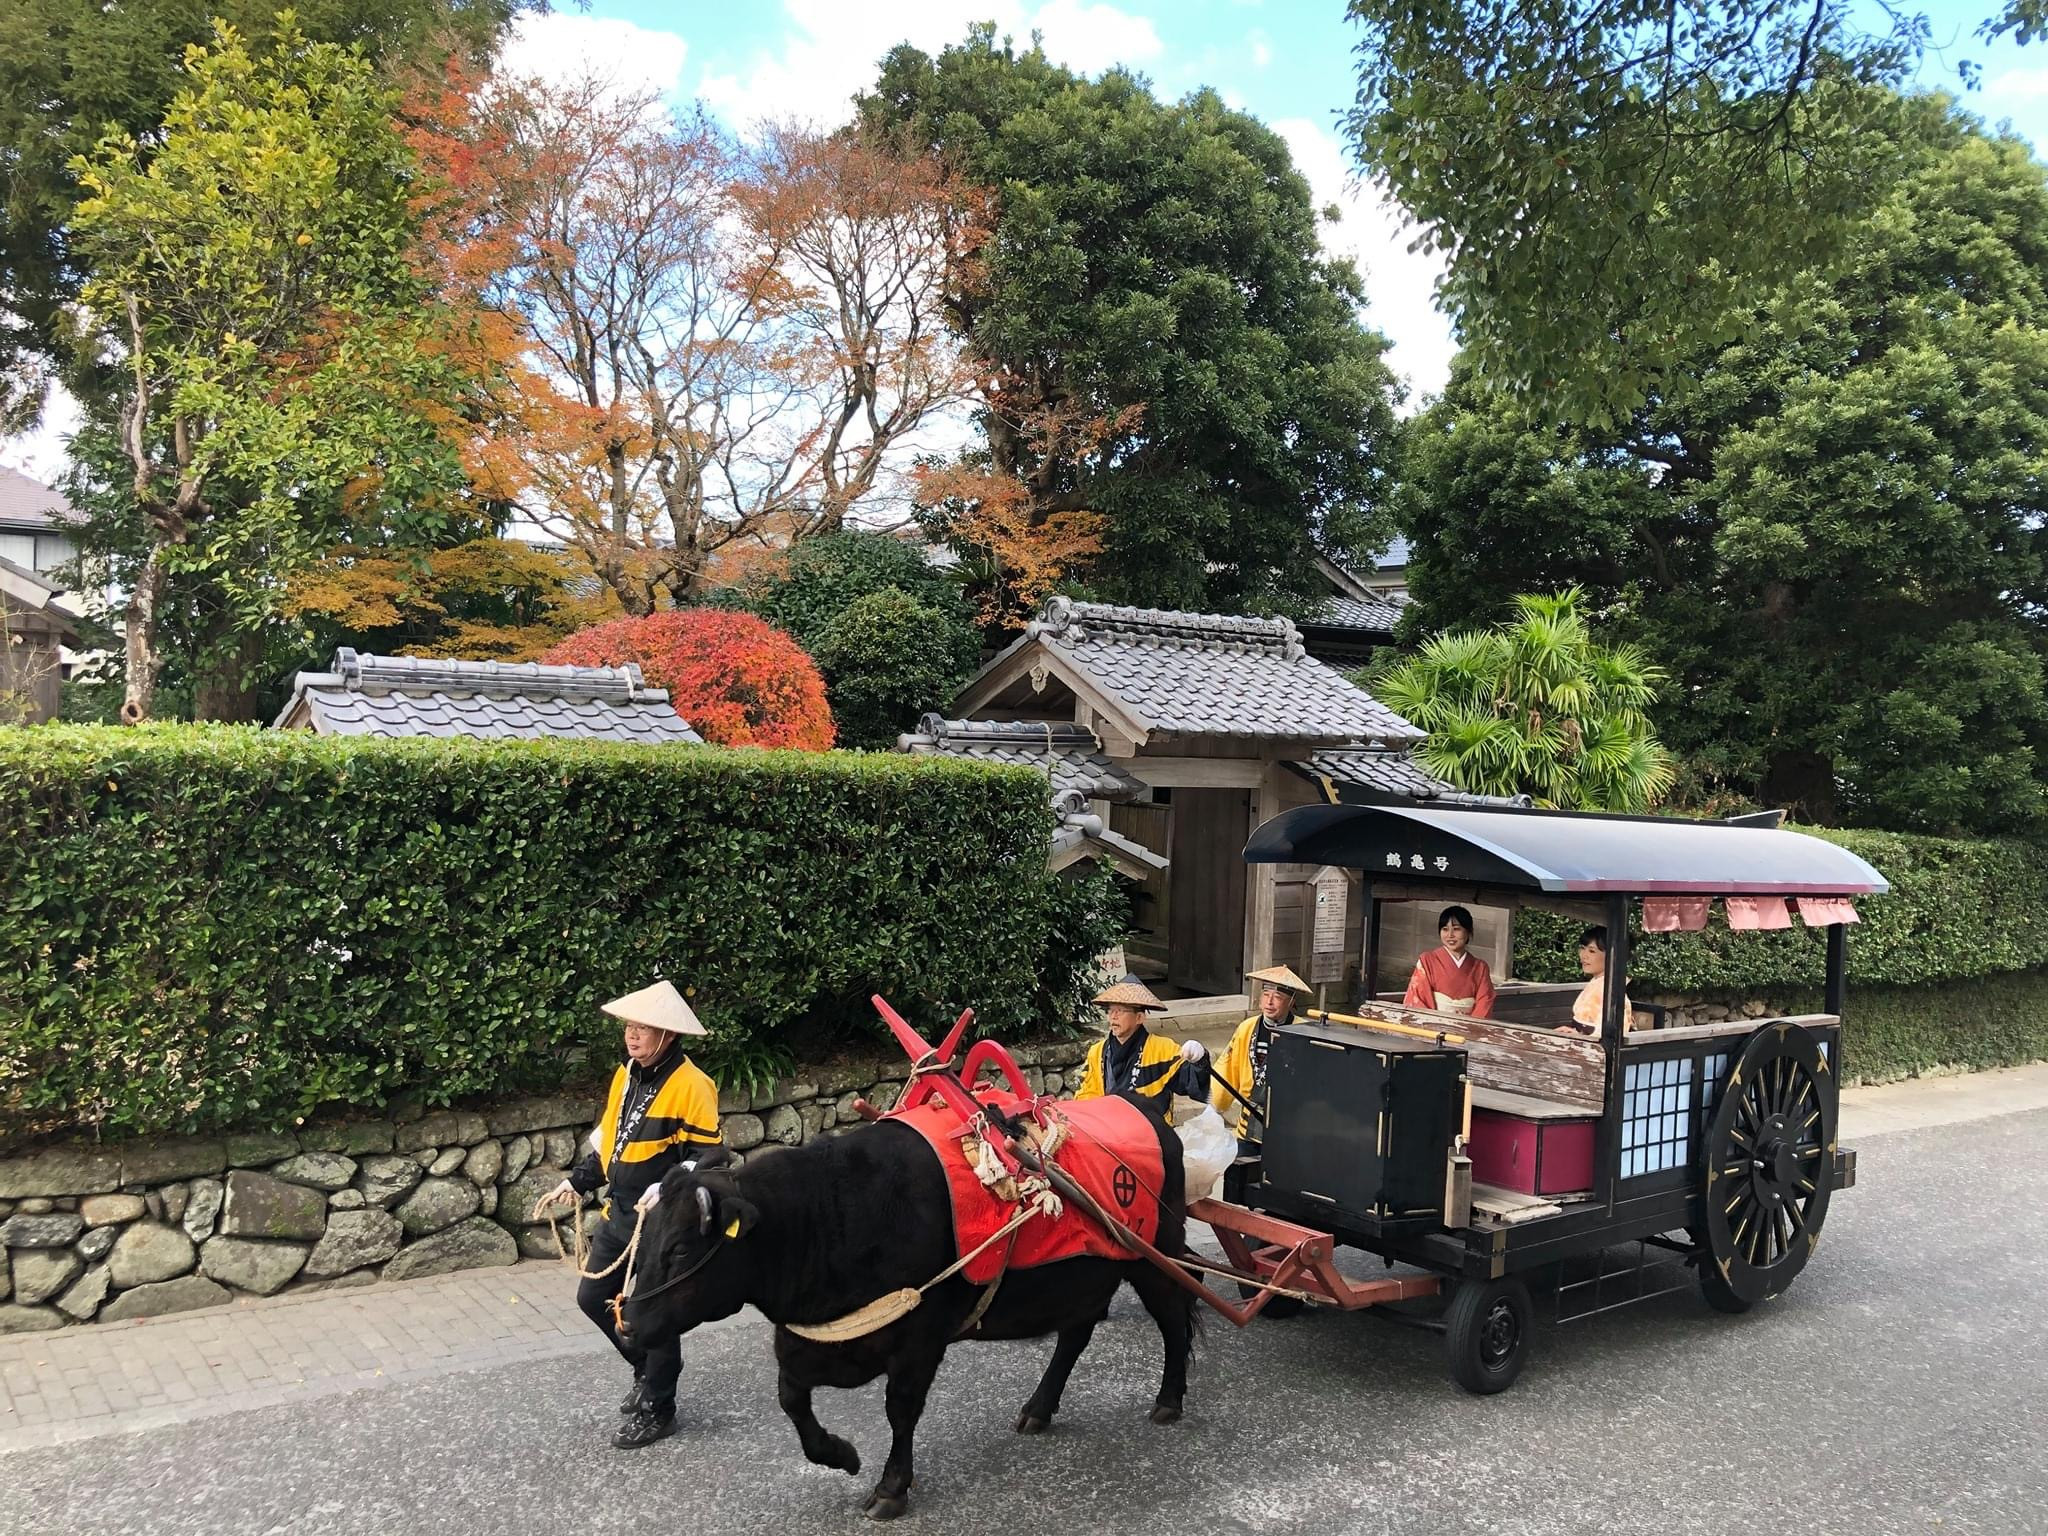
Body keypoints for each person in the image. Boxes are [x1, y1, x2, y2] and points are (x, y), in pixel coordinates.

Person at [544, 979, 722, 1450]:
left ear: (668, 1033)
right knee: (592, 1296)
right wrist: (578, 1180)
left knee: (652, 1311)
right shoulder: (626, 1074)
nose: (632, 1034)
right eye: (629, 1026)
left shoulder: (693, 1084)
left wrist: (667, 1187)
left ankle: (660, 1409)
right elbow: (612, 1141)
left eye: (643, 1027)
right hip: (620, 1209)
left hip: (661, 1217)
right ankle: (647, 1369)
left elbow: (709, 1156)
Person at [1211, 964, 1310, 1202]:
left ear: (1291, 1001)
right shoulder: (1247, 1028)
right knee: (1240, 1189)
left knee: (1279, 1191)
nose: (1270, 1002)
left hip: (1286, 1126)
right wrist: (1215, 1104)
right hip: (1249, 1123)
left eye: (1278, 997)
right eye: (1266, 994)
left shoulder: (1304, 1032)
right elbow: (1228, 1066)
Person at [1073, 974, 1209, 1119]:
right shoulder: (1097, 1052)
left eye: (1120, 1010)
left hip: (1152, 1129)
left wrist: (1199, 1060)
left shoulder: (1162, 1049)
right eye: (1110, 1010)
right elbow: (1085, 1096)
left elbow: (1192, 1084)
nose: (1113, 1016)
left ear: (1139, 1018)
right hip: (1110, 1128)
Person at [1402, 906, 1497, 1019]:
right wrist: (1432, 1023)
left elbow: (1485, 1001)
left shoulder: (1480, 967)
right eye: (1445, 929)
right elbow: (1418, 996)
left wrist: (1471, 1026)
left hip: (1469, 1025)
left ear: (1468, 931)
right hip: (1433, 1023)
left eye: (1456, 929)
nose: (1450, 935)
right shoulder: (1427, 960)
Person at [1565, 926, 1634, 1037]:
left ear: (1613, 955)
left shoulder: (1613, 990)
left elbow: (1612, 1035)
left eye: (1592, 951)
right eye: (1582, 948)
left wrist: (1580, 1036)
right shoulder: (1596, 983)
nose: (1583, 956)